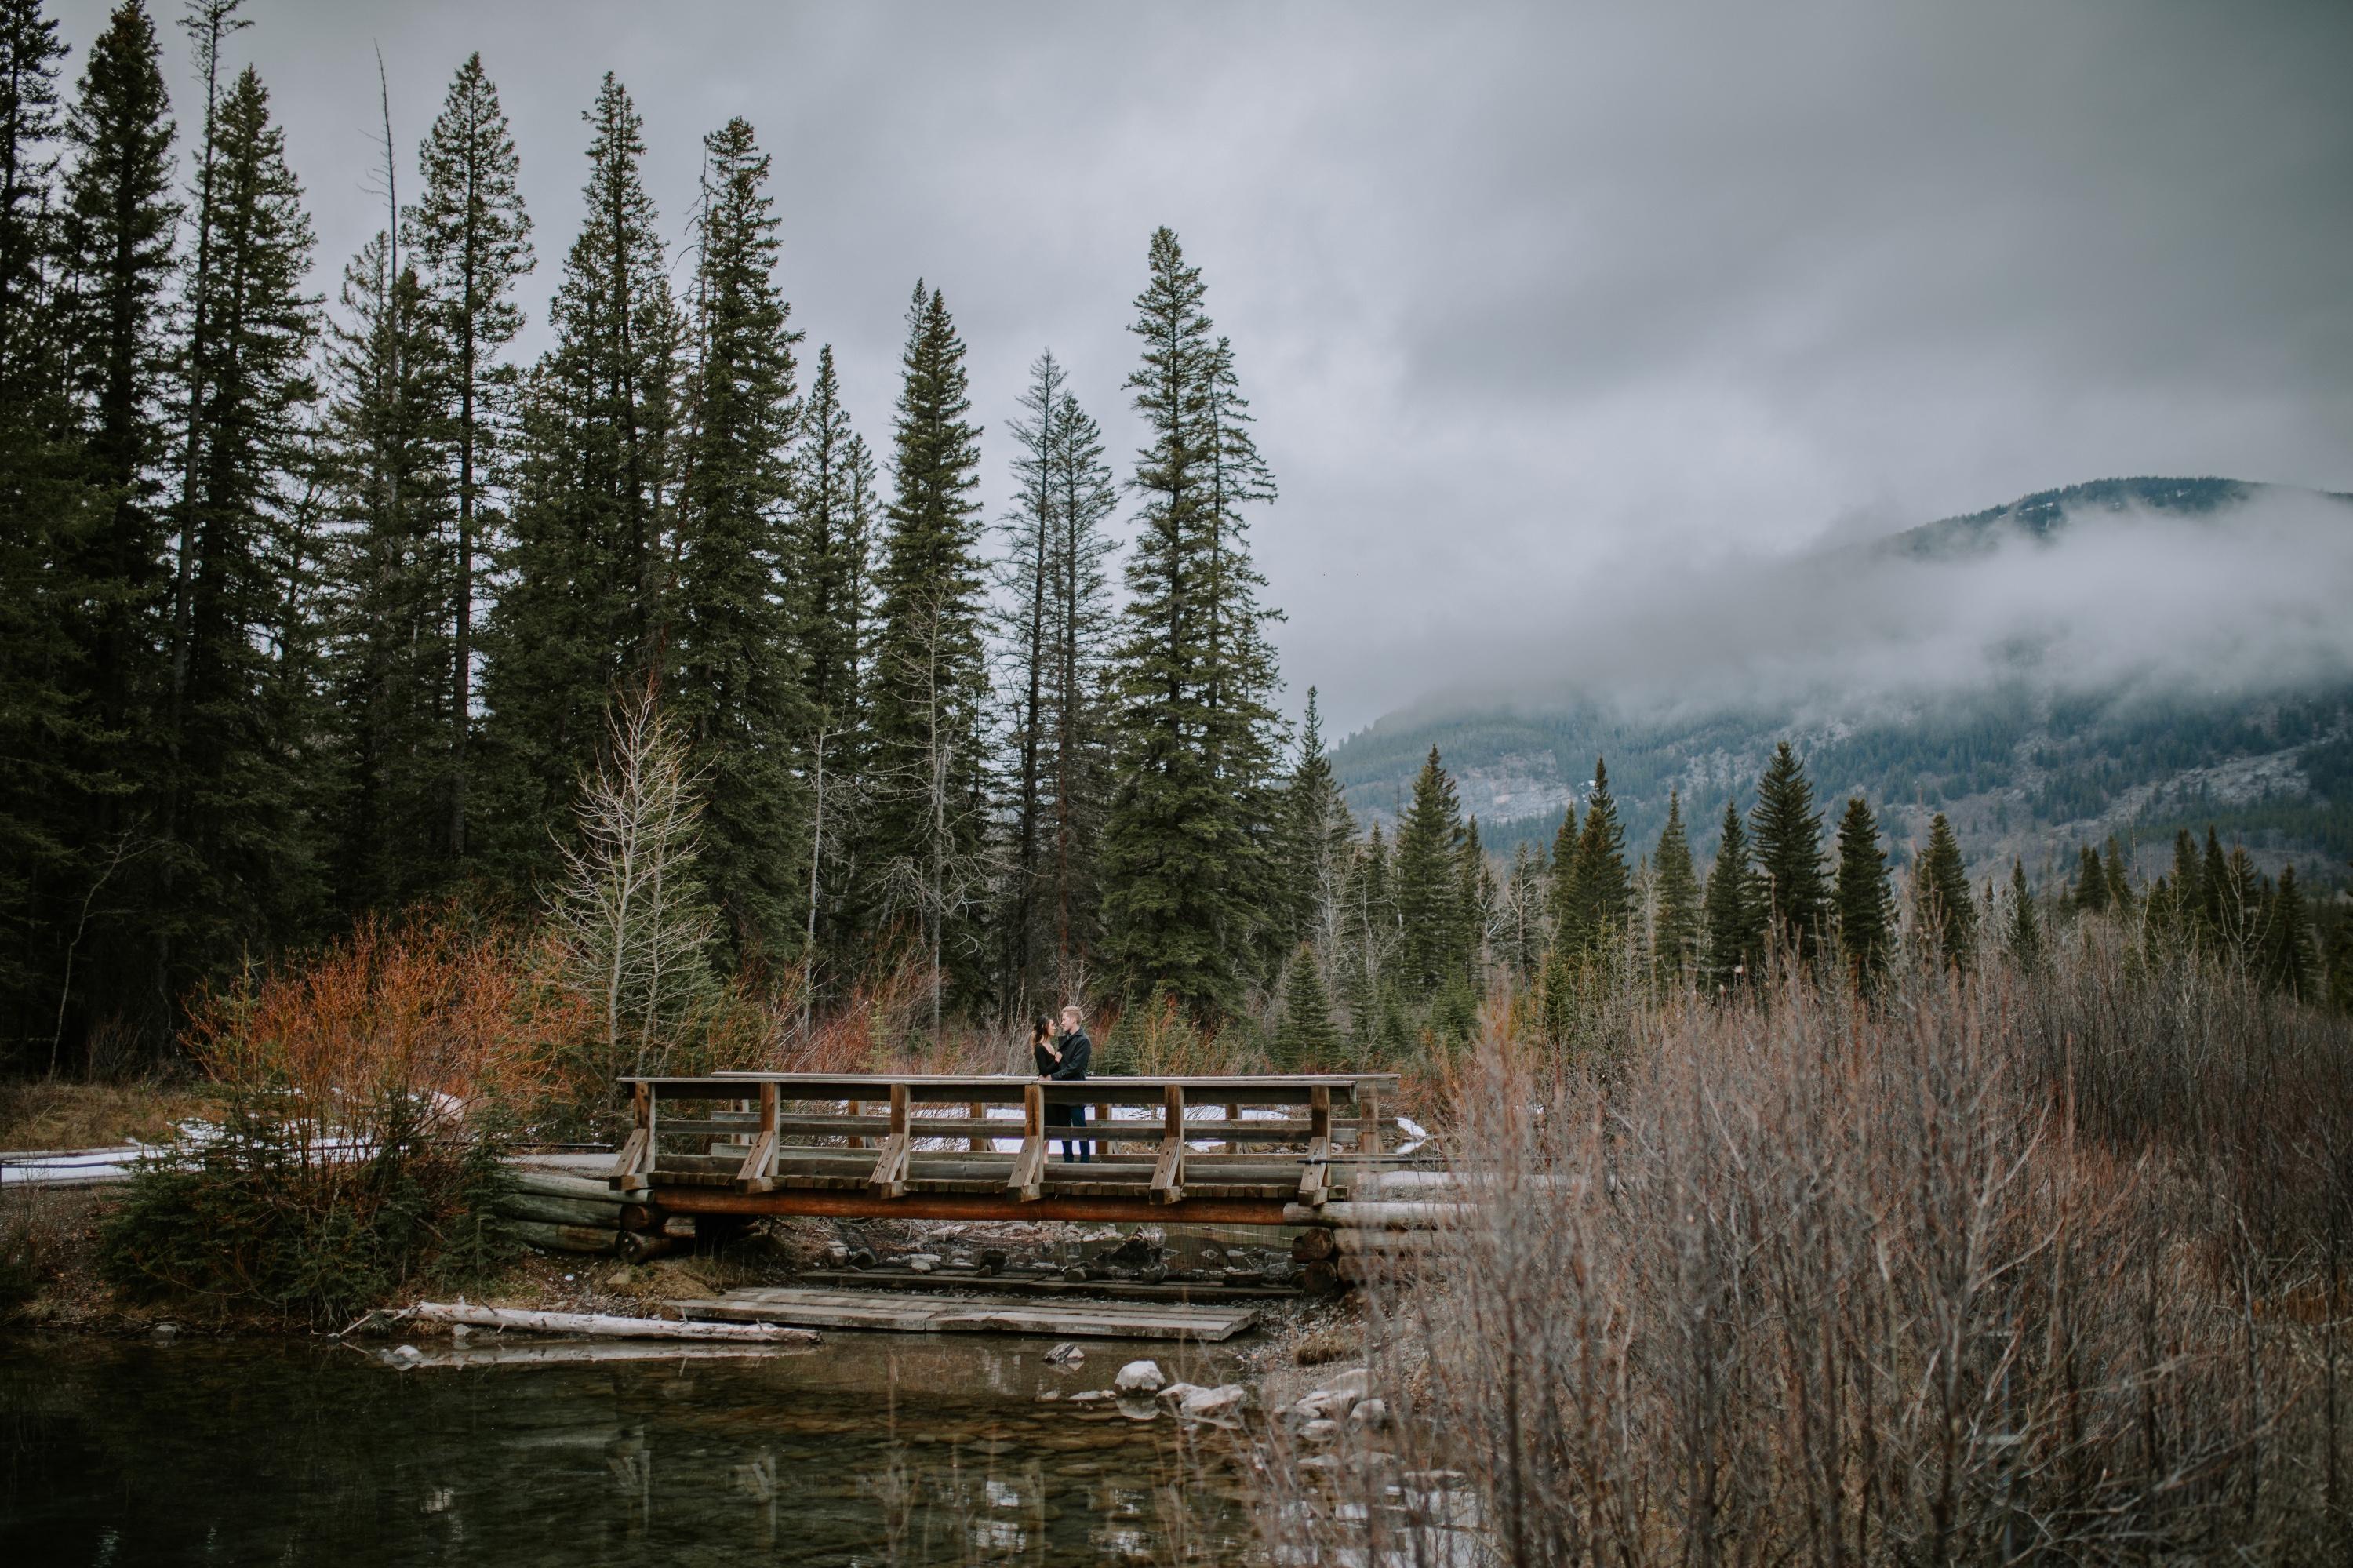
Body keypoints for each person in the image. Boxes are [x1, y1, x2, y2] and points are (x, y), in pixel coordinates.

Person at [1048, 1003, 1093, 1162]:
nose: (1062, 1022)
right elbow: (1061, 1062)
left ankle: (1085, 1161)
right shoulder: (1066, 1039)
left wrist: (1054, 1077)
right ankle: (1068, 1160)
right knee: (1063, 1127)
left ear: (1073, 1020)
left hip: (1075, 1090)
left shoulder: (1083, 1041)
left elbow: (1075, 1067)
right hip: (1062, 1090)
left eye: (1064, 1019)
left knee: (1080, 1126)